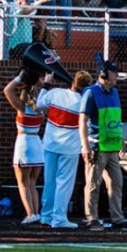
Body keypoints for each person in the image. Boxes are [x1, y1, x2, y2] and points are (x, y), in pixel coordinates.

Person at [81, 60, 127, 229]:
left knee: (117, 183)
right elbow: (82, 121)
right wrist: (86, 146)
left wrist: (120, 138)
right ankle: (91, 218)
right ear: (104, 74)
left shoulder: (114, 92)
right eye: (114, 72)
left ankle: (118, 218)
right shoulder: (90, 93)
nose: (116, 75)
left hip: (112, 146)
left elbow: (115, 119)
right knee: (94, 184)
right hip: (97, 145)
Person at [37, 71, 90, 229]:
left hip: (50, 144)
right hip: (70, 148)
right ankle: (59, 218)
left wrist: (46, 84)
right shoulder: (83, 103)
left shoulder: (55, 93)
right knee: (64, 184)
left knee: (50, 182)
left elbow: (39, 104)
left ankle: (46, 216)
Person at [4, 71, 46, 224]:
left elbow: (7, 90)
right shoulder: (41, 109)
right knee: (32, 183)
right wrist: (41, 83)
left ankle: (30, 214)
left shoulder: (22, 108)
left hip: (24, 143)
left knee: (23, 183)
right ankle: (36, 213)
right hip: (37, 143)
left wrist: (19, 78)